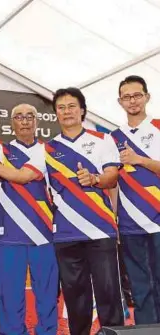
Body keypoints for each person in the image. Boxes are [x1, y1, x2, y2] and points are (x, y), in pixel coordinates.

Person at [45, 87, 124, 334]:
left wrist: (94, 179)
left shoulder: (103, 140)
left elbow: (111, 177)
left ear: (82, 111)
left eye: (71, 106)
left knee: (108, 295)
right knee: (75, 298)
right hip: (66, 235)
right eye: (61, 107)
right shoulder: (46, 149)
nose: (66, 111)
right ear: (56, 113)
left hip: (100, 231)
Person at [0, 104, 58, 335]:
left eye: (29, 116)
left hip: (44, 234)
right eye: (19, 117)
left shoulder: (49, 151)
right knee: (10, 296)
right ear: (11, 123)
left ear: (37, 121)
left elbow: (24, 176)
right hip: (8, 235)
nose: (24, 121)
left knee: (47, 293)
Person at [110, 75, 160, 324]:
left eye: (137, 95)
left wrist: (139, 159)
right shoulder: (112, 137)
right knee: (140, 286)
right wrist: (113, 219)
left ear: (147, 97)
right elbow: (111, 184)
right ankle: (148, 328)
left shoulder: (159, 127)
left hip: (159, 220)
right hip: (130, 224)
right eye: (126, 97)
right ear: (120, 101)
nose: (132, 101)